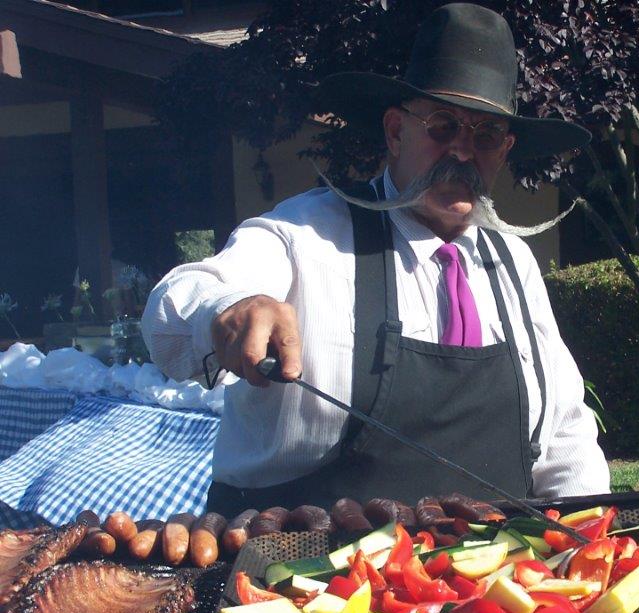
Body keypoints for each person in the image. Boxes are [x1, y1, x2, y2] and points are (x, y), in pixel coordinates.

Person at [142, 3, 609, 514]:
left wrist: (589, 533)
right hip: (299, 571)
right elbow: (171, 318)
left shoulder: (514, 264)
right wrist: (228, 308)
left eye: (486, 136)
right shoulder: (306, 234)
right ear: (395, 131)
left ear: (504, 149)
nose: (463, 151)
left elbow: (565, 432)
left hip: (488, 580)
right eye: (443, 126)